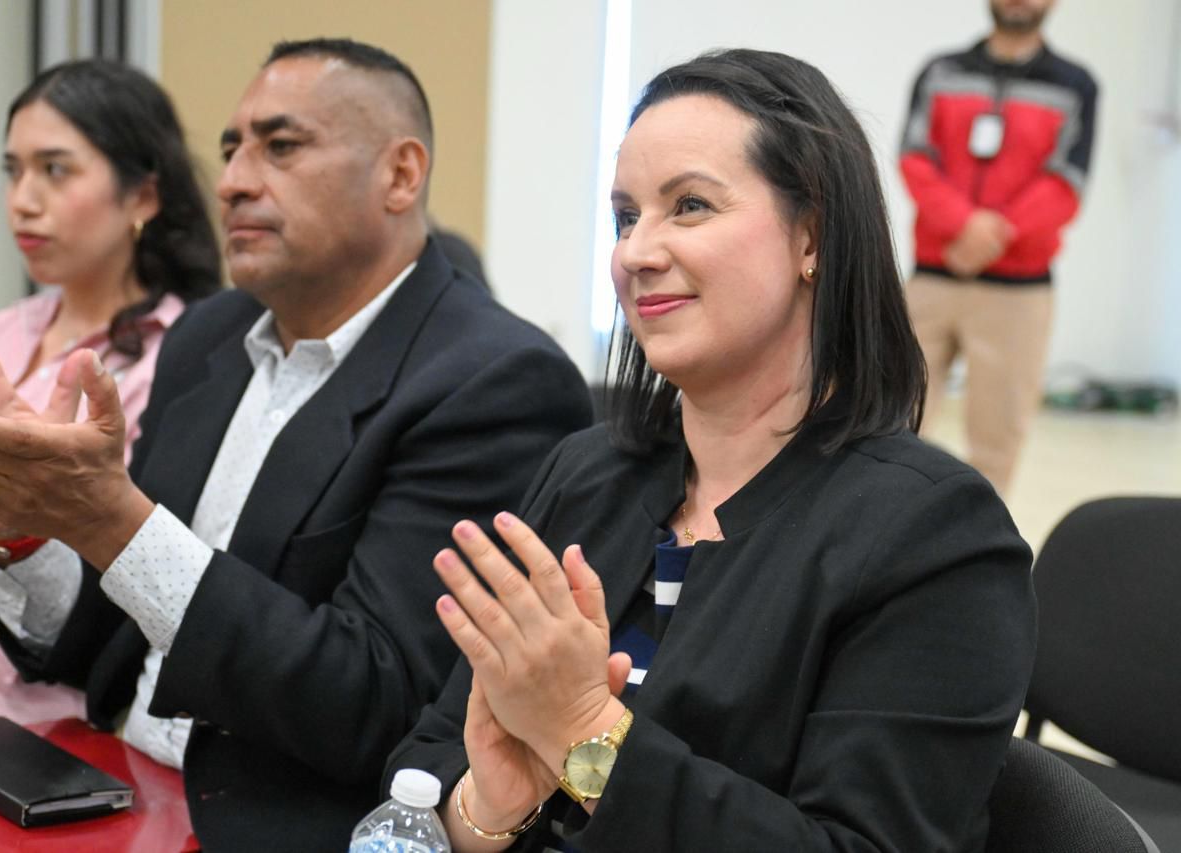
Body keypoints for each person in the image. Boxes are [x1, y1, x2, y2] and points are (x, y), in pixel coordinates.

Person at [0, 38, 590, 851]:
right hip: (95, 780)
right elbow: (89, 641)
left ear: (401, 174)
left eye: (281, 146)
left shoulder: (493, 379)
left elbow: (378, 703)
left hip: (260, 822)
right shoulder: (211, 336)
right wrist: (16, 524)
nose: (232, 180)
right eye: (231, 150)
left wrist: (115, 522)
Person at [384, 49, 1036, 851]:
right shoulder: (586, 472)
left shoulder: (936, 537)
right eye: (626, 217)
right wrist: (489, 808)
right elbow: (427, 759)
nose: (636, 252)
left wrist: (582, 736)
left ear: (812, 236)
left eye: (689, 206)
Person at [0, 58, 220, 727]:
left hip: (11, 708)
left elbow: (88, 606)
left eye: (55, 169)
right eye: (13, 170)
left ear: (143, 197)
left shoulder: (183, 361)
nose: (23, 199)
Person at [899, 0, 1097, 495]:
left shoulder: (1075, 85)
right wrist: (964, 224)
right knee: (890, 419)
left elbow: (1066, 182)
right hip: (932, 281)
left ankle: (978, 541)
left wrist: (991, 235)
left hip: (1019, 295)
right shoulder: (941, 71)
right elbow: (915, 158)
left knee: (997, 442)